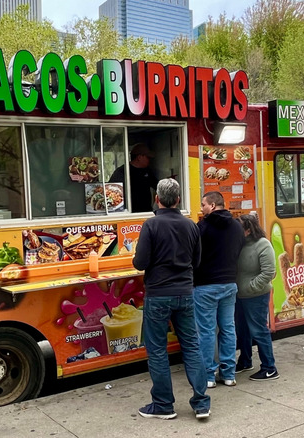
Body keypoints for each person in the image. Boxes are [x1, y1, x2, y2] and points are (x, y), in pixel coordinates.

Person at [132, 178, 211, 420]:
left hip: (158, 295)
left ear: (157, 199)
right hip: (185, 293)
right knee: (192, 346)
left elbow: (140, 263)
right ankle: (201, 403)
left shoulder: (151, 225)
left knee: (157, 350)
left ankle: (164, 405)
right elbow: (197, 262)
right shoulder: (191, 226)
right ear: (178, 200)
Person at [193, 191, 245, 388]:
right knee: (228, 328)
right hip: (230, 284)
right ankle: (229, 374)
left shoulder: (202, 227)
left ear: (213, 205)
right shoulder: (237, 227)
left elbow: (193, 255)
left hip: (205, 285)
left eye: (204, 204)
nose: (201, 208)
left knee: (206, 332)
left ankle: (208, 375)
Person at [235, 213, 279, 381]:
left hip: (256, 296)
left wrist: (251, 287)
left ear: (247, 230)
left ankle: (269, 367)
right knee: (242, 330)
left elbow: (268, 272)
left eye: (239, 228)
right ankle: (245, 361)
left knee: (259, 330)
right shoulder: (239, 245)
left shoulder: (263, 245)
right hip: (240, 295)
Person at [109, 143, 158, 212]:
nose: (149, 160)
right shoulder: (122, 171)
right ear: (139, 157)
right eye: (148, 157)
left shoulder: (147, 171)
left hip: (146, 212)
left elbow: (157, 186)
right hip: (129, 214)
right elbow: (111, 192)